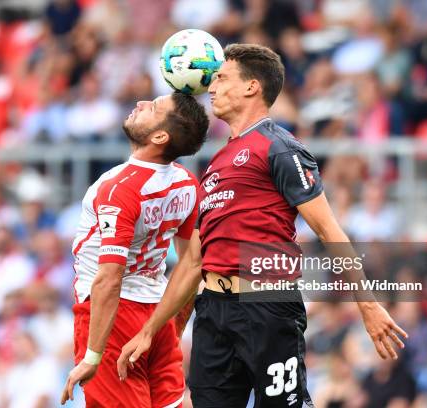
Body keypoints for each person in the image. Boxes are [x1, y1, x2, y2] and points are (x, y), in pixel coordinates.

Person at [117, 44, 408, 408]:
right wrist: (157, 330)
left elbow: (330, 231)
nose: (212, 86)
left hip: (266, 305)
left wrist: (368, 305)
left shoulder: (279, 147)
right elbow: (194, 262)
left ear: (252, 87)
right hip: (213, 310)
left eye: (222, 78)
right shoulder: (217, 161)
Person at [60, 92, 209, 407]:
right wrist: (170, 326)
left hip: (112, 322)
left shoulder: (120, 189)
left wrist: (92, 356)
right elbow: (193, 265)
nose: (141, 104)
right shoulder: (187, 183)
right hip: (156, 314)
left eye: (153, 107)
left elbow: (109, 278)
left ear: (159, 136)